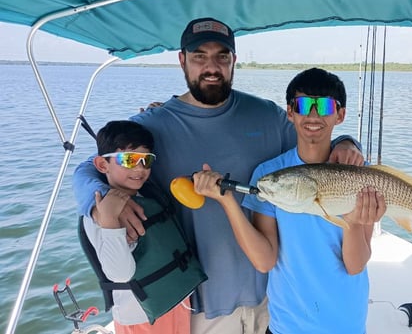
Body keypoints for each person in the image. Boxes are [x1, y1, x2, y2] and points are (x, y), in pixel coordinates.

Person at [72, 18, 363, 334]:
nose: (211, 66)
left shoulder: (266, 115)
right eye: (199, 56)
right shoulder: (153, 124)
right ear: (182, 60)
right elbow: (91, 167)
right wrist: (99, 203)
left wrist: (348, 143)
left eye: (222, 56)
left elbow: (315, 140)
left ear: (233, 61)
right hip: (205, 309)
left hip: (273, 301)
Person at [193, 68, 386, 334]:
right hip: (288, 325)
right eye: (304, 105)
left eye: (325, 106)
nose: (313, 115)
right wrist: (226, 201)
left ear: (340, 115)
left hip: (345, 323)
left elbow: (355, 265)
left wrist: (353, 223)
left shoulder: (359, 175)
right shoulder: (270, 175)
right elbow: (265, 260)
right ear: (290, 112)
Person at [80, 120, 206, 334]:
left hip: (175, 301)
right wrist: (110, 221)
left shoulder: (147, 194)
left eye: (146, 161)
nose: (139, 168)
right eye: (129, 160)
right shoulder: (99, 213)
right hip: (140, 316)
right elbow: (119, 274)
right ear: (102, 165)